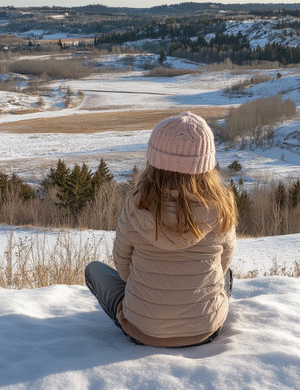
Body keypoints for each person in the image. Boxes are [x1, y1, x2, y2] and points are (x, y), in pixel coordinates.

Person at [85, 112, 237, 347]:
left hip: (142, 329)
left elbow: (123, 266)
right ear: (207, 164)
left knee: (93, 270)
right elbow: (224, 261)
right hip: (205, 329)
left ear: (153, 162)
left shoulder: (136, 205)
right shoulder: (221, 207)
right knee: (225, 275)